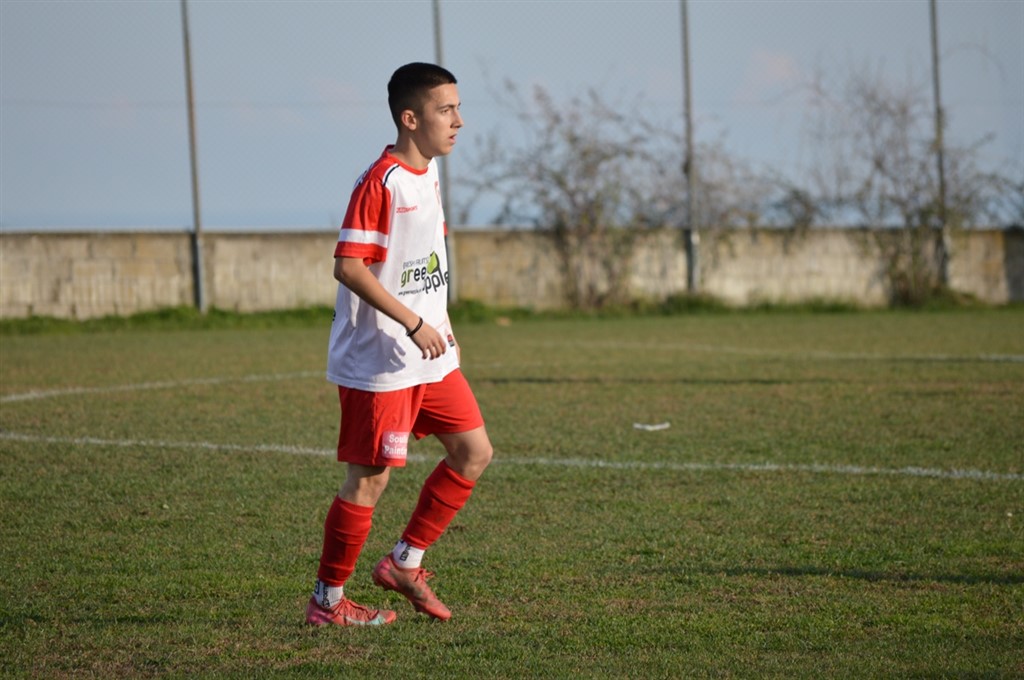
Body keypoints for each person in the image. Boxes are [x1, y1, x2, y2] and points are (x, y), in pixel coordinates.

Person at [305, 62, 493, 627]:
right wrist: (414, 322)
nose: (458, 121)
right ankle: (327, 603)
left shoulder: (428, 173)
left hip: (431, 356)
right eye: (445, 110)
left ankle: (404, 562)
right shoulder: (381, 182)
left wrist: (441, 325)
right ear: (410, 119)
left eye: (458, 108)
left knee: (473, 451)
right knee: (370, 480)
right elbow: (348, 266)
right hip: (381, 360)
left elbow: (422, 260)